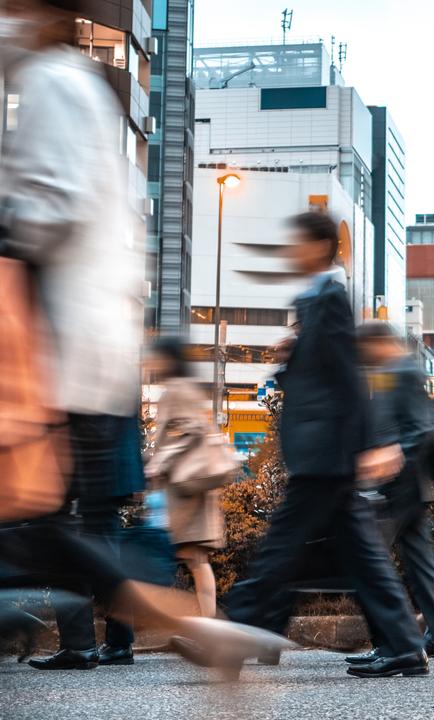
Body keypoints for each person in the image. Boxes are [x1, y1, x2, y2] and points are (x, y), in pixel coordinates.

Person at [0, 0, 287, 672]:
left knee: (43, 518)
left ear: (38, 15)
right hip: (79, 345)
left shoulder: (51, 83)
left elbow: (50, 207)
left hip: (56, 348)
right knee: (45, 522)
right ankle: (194, 626)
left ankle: (187, 623)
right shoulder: (79, 89)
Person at [213, 212, 427, 679]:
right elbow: (325, 372)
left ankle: (234, 633)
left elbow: (348, 377)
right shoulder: (317, 300)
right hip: (326, 450)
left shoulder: (327, 298)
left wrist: (375, 441)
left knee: (281, 547)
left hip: (326, 450)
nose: (290, 252)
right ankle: (404, 644)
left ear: (317, 246)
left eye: (295, 243)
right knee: (360, 556)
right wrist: (293, 355)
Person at [343, 321, 434, 666]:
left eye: (365, 348)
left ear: (379, 343)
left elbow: (420, 427)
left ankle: (393, 643)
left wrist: (391, 460)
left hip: (399, 486)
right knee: (421, 565)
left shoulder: (403, 370)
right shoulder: (392, 370)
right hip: (410, 486)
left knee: (370, 562)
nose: (363, 356)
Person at [143, 337, 225, 619]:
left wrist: (159, 462)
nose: (149, 362)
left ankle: (208, 626)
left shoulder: (177, 390)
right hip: (187, 487)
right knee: (194, 559)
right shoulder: (183, 388)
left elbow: (191, 430)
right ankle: (208, 624)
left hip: (185, 489)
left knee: (194, 559)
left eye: (154, 356)